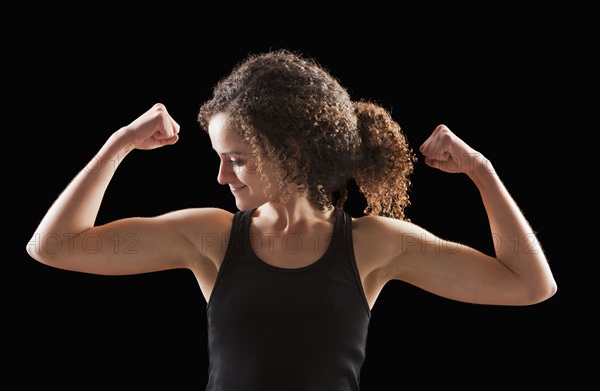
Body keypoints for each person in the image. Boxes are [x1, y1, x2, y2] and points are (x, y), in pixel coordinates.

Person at [26, 49, 557, 390]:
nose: (221, 177)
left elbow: (528, 284)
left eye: (235, 158)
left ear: (292, 152)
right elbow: (53, 246)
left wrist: (481, 172)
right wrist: (117, 146)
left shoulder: (374, 244)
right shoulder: (210, 237)